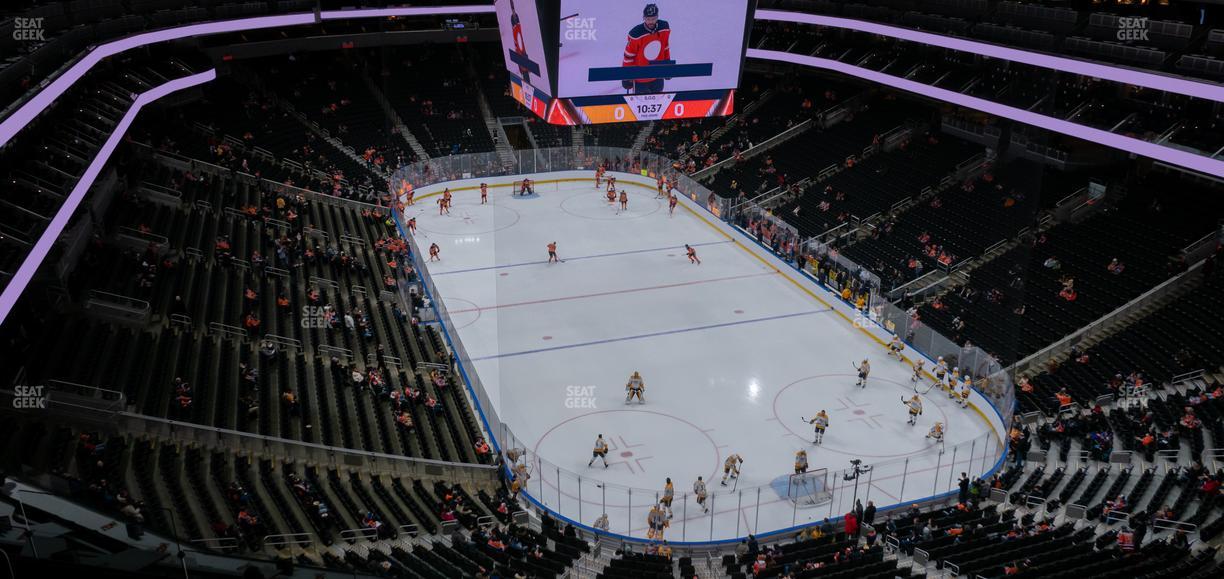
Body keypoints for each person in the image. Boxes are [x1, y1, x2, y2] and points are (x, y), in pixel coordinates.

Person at [621, 4, 671, 94]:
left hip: (657, 75)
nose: (651, 22)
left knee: (658, 103)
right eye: (648, 19)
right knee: (639, 104)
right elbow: (628, 56)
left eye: (653, 19)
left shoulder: (664, 29)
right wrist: (626, 75)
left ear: (657, 17)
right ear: (643, 18)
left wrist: (667, 66)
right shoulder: (636, 34)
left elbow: (665, 48)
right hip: (640, 78)